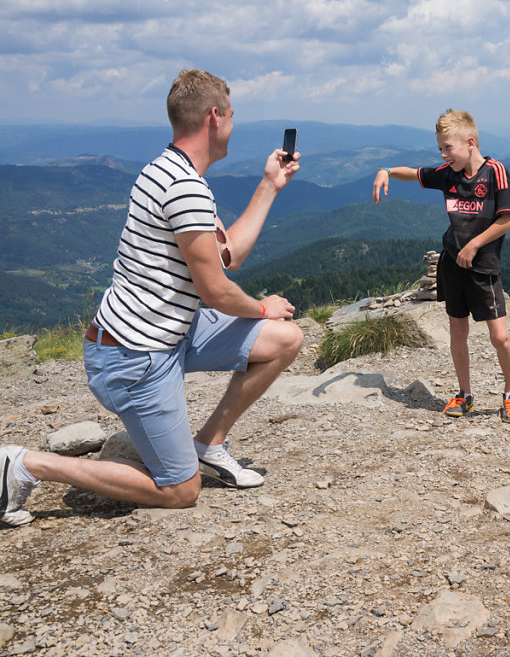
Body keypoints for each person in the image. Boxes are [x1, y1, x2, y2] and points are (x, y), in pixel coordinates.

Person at [2, 69, 303, 527]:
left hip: (168, 332)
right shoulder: (184, 187)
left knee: (283, 339)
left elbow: (228, 257)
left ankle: (208, 443)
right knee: (181, 491)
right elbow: (217, 291)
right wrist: (263, 308)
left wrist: (269, 186)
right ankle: (25, 465)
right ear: (214, 116)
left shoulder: (168, 171)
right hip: (134, 356)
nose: (234, 124)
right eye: (232, 114)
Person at [372, 109, 510, 423]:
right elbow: (415, 173)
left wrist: (475, 243)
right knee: (457, 331)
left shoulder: (496, 171)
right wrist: (386, 170)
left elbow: (509, 219)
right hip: (452, 264)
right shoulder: (449, 173)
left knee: (500, 337)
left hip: (483, 268)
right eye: (440, 147)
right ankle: (464, 394)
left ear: (469, 143)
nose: (442, 154)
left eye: (447, 147)